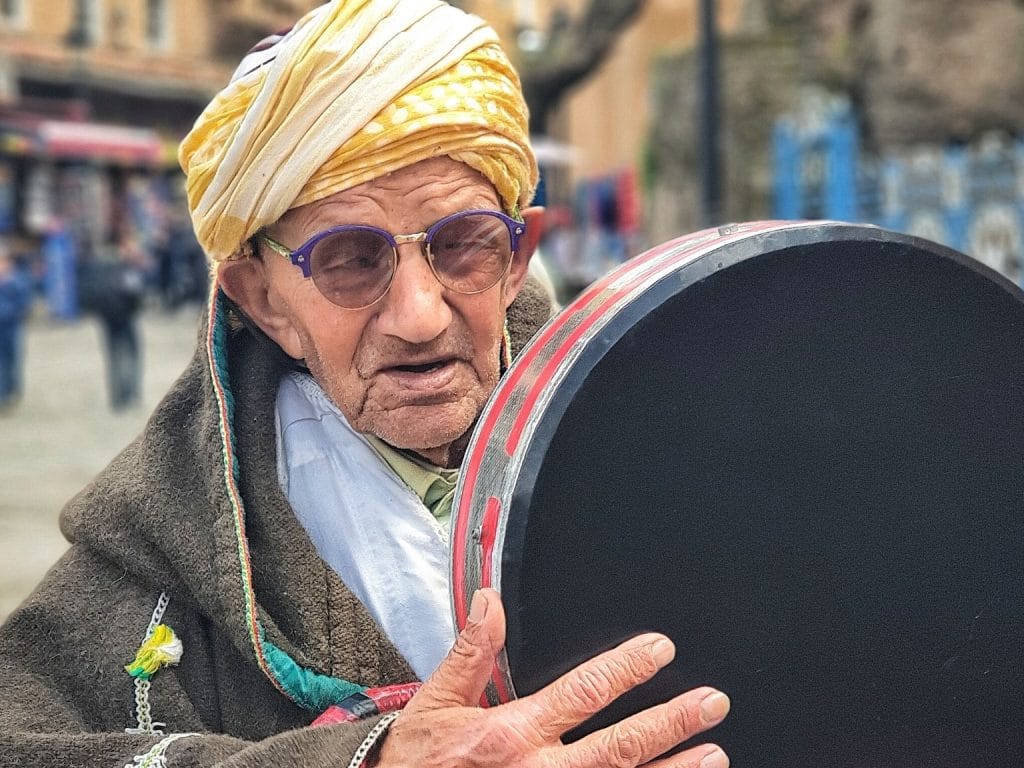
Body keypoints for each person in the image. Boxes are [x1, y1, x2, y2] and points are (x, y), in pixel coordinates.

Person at [0, 2, 731, 766]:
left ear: (518, 260)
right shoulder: (159, 544)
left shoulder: (666, 441)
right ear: (264, 300)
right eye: (351, 258)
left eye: (462, 246)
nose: (418, 316)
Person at [0, 241, 33, 411]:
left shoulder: (16, 280)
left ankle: (14, 388)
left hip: (12, 326)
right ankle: (3, 393)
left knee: (14, 359)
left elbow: (24, 302)